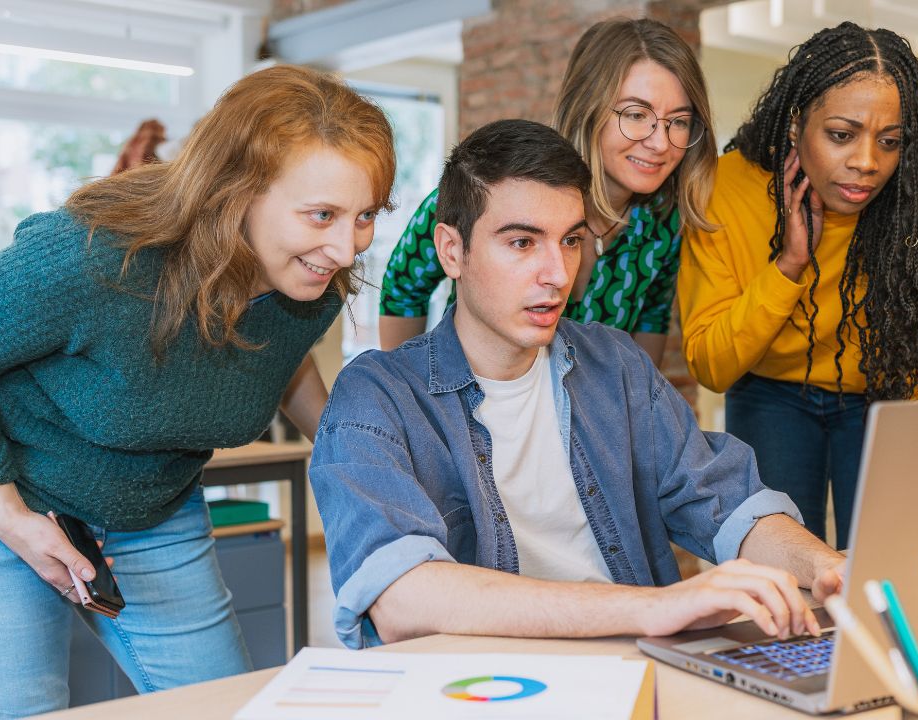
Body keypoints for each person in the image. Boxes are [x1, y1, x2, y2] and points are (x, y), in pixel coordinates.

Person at [311, 119, 846, 650]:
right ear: (452, 251)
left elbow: (729, 502)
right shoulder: (375, 397)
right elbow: (402, 598)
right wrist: (660, 606)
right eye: (522, 242)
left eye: (570, 241)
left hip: (638, 672)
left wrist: (826, 566)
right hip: (490, 688)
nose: (558, 274)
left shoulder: (614, 363)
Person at [0, 65, 395, 718]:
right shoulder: (93, 262)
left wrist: (361, 455)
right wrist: (5, 514)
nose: (346, 247)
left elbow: (277, 359)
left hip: (152, 509)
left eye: (365, 216)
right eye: (323, 215)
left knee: (218, 707)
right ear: (238, 193)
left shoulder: (307, 282)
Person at [678, 22, 918, 550]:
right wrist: (789, 264)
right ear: (795, 125)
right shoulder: (725, 187)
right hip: (770, 393)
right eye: (841, 135)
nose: (867, 162)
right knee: (780, 572)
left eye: (890, 142)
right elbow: (711, 366)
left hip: (891, 393)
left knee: (896, 562)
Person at [378, 18, 716, 367]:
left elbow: (651, 322)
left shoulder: (665, 221)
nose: (660, 143)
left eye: (678, 121)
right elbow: (403, 286)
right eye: (635, 114)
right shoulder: (493, 191)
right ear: (588, 106)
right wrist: (413, 400)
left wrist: (631, 413)